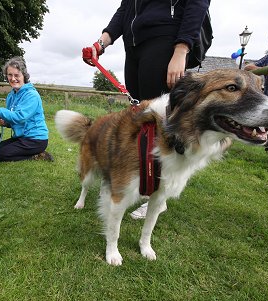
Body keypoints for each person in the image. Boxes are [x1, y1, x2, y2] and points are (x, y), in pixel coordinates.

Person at [83, 0, 210, 219]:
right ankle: (145, 183)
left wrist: (181, 49)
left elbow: (197, 2)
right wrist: (101, 44)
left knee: (160, 123)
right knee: (141, 119)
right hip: (134, 46)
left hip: (164, 38)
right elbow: (124, 10)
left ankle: (159, 197)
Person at [0, 57, 53, 162]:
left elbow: (19, 117)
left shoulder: (32, 95)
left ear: (24, 76)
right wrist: (5, 123)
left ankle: (36, 155)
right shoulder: (11, 96)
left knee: (0, 155)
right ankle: (31, 153)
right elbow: (12, 120)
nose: (12, 78)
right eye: (9, 75)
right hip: (21, 138)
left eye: (16, 75)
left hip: (35, 139)